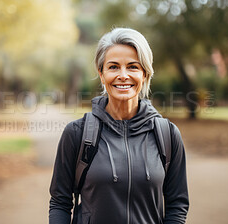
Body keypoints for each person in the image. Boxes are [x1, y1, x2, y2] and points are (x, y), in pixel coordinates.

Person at [49, 28, 189, 224]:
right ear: (101, 73)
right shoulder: (76, 133)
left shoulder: (167, 134)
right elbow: (60, 202)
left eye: (133, 67)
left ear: (145, 73)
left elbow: (177, 204)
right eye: (113, 67)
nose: (123, 75)